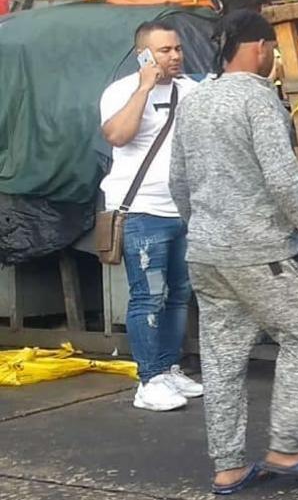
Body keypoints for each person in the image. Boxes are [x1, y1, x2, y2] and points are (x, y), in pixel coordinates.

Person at [169, 9, 298, 494]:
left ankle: (228, 466)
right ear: (261, 47)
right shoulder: (258, 99)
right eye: (273, 50)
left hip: (206, 253)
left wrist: (204, 228)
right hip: (258, 251)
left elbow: (178, 181)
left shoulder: (194, 102)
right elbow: (284, 181)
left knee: (222, 359)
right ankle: (286, 447)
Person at [100, 20, 204, 412]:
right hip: (142, 212)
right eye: (164, 50)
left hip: (183, 211)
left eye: (178, 48)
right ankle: (149, 380)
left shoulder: (190, 91)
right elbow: (116, 136)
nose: (175, 56)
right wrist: (144, 88)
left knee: (179, 294)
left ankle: (168, 367)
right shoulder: (121, 91)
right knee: (149, 295)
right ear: (143, 54)